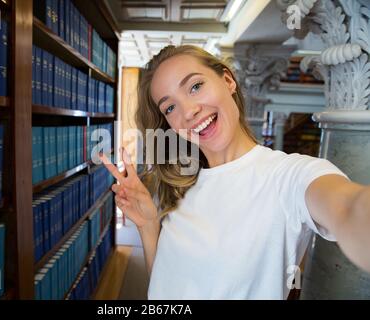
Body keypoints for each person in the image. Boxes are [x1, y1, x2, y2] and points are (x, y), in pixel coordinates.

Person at [99, 45, 370, 299]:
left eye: (195, 86)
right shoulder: (180, 184)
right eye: (170, 107)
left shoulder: (290, 175)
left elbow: (348, 208)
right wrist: (147, 226)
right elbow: (167, 285)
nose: (189, 111)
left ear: (228, 80)